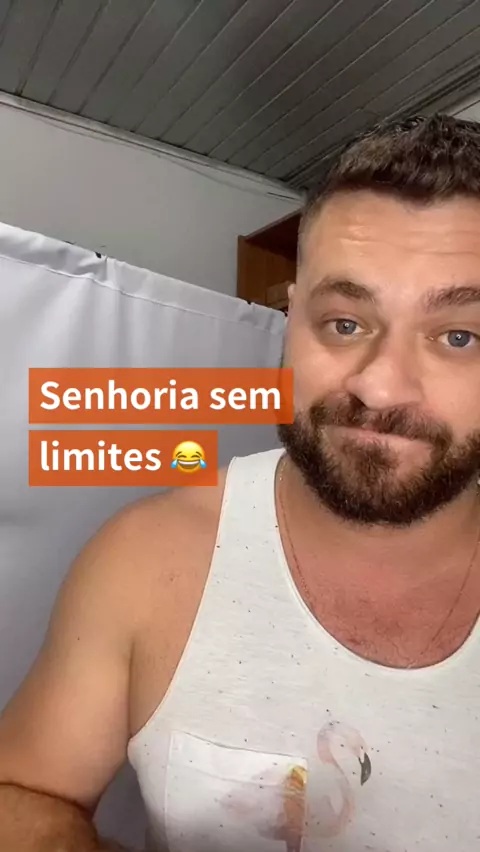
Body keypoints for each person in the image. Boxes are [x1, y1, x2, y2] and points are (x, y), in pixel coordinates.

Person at [1, 113, 480, 852]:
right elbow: (21, 793)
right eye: (345, 323)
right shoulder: (148, 554)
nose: (380, 386)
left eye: (458, 336)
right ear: (290, 319)